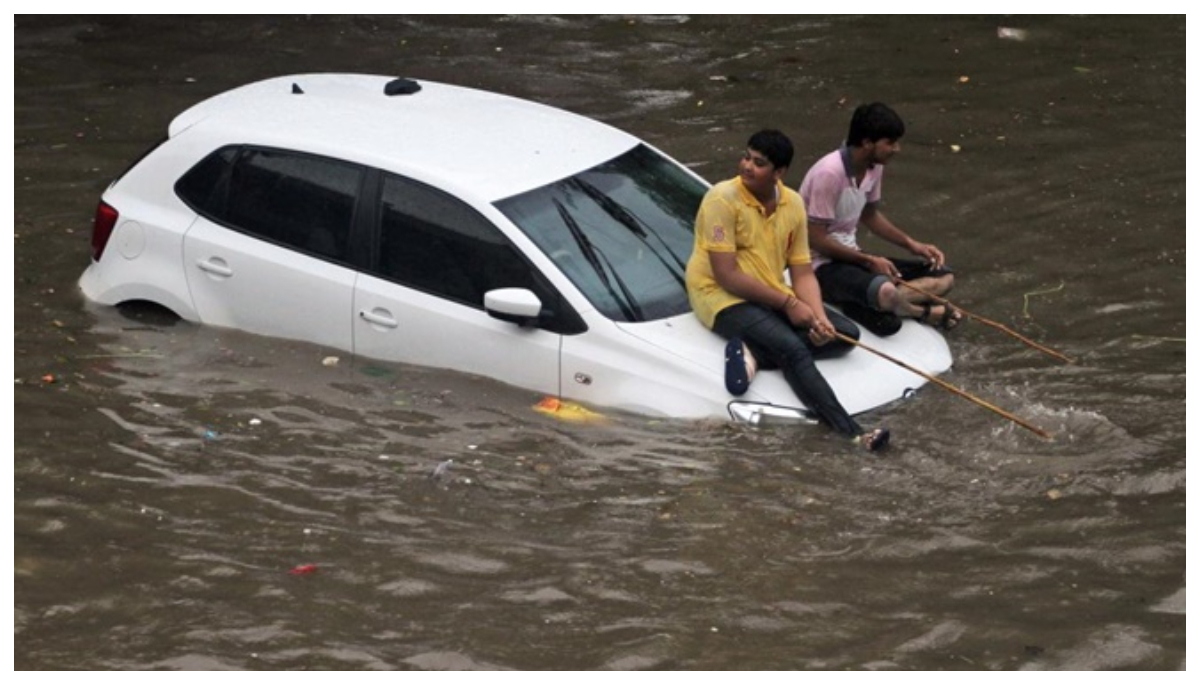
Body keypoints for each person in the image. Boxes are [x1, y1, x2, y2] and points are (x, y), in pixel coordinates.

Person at [685, 129, 890, 451]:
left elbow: (803, 271)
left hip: (768, 291)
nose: (747, 167)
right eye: (746, 158)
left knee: (842, 334)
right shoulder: (722, 199)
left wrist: (819, 318)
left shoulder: (793, 203)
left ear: (779, 173)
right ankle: (853, 434)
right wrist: (788, 303)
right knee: (793, 350)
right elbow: (726, 276)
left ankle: (756, 354)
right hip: (719, 295)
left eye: (759, 163)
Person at [799, 102, 960, 337]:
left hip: (853, 256)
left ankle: (870, 302)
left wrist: (913, 245)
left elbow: (870, 215)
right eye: (890, 142)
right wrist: (867, 260)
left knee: (944, 276)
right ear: (867, 143)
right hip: (820, 266)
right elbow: (816, 239)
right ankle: (923, 312)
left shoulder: (874, 167)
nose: (897, 149)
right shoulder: (830, 173)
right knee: (887, 297)